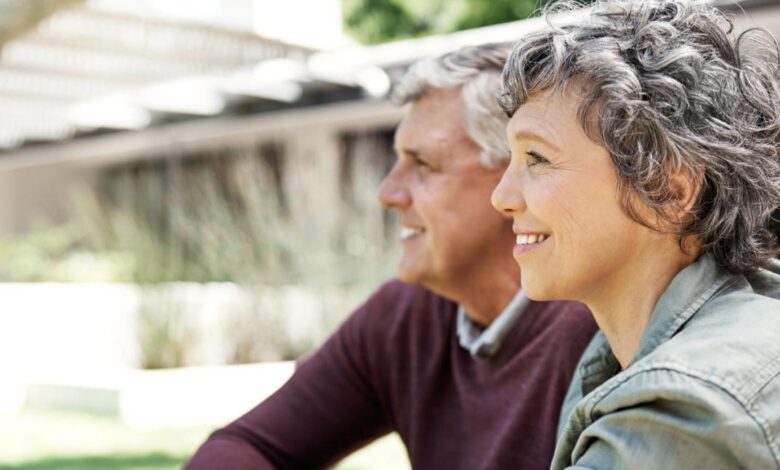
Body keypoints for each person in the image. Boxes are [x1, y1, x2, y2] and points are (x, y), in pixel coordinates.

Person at [185, 44, 597, 470]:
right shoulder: (404, 316)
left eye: (422, 165)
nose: (387, 194)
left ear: (514, 173)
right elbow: (248, 445)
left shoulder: (600, 321)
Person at [491, 1, 780, 468]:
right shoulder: (737, 326)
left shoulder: (686, 411)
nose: (501, 197)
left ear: (669, 188)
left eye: (537, 159)